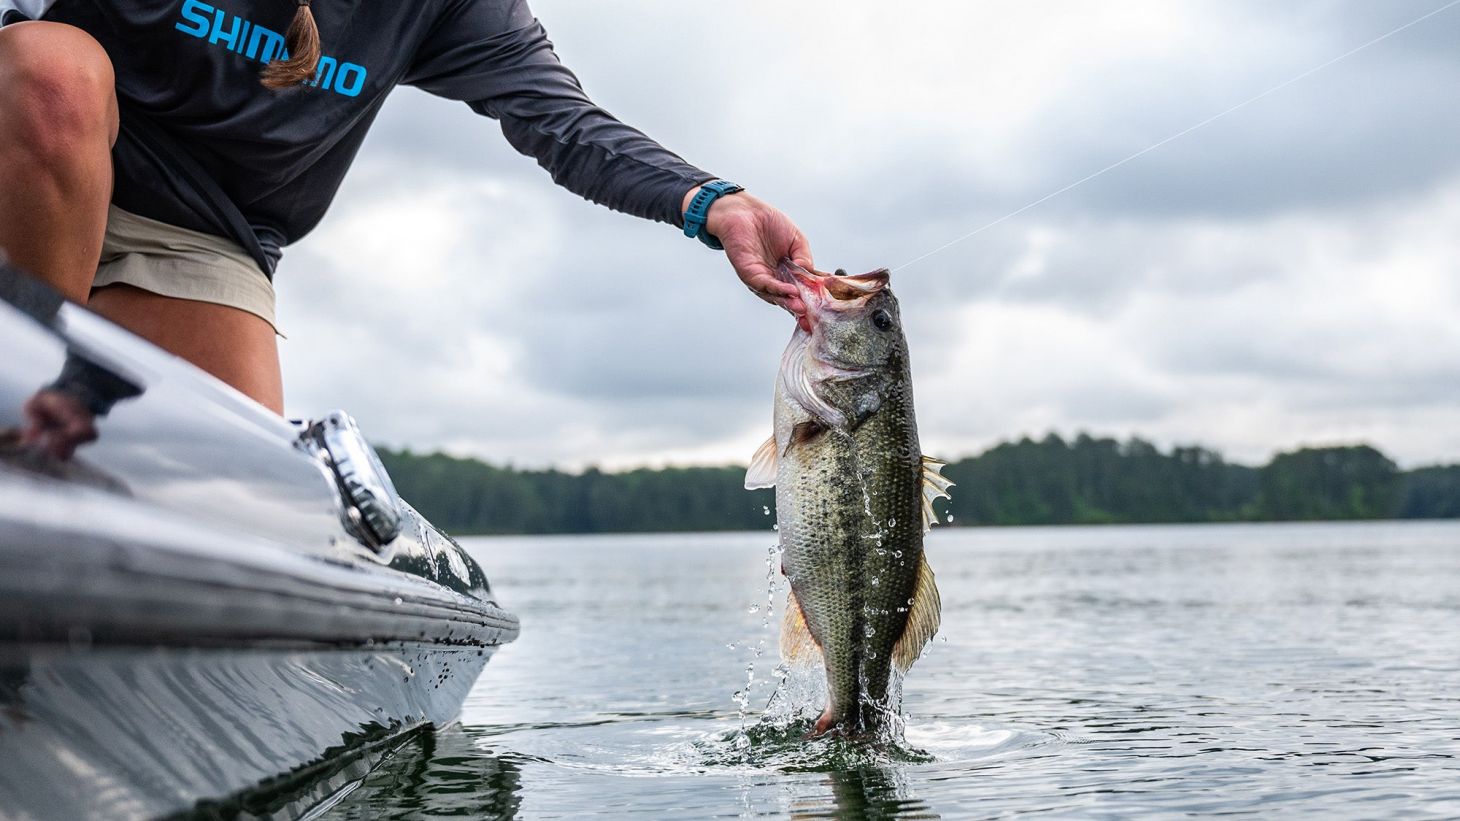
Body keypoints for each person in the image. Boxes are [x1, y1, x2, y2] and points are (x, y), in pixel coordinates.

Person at [0, 0, 812, 414]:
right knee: (49, 75)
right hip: (36, 162)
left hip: (205, 234)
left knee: (245, 516)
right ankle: (18, 415)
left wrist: (714, 202)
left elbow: (563, 123)